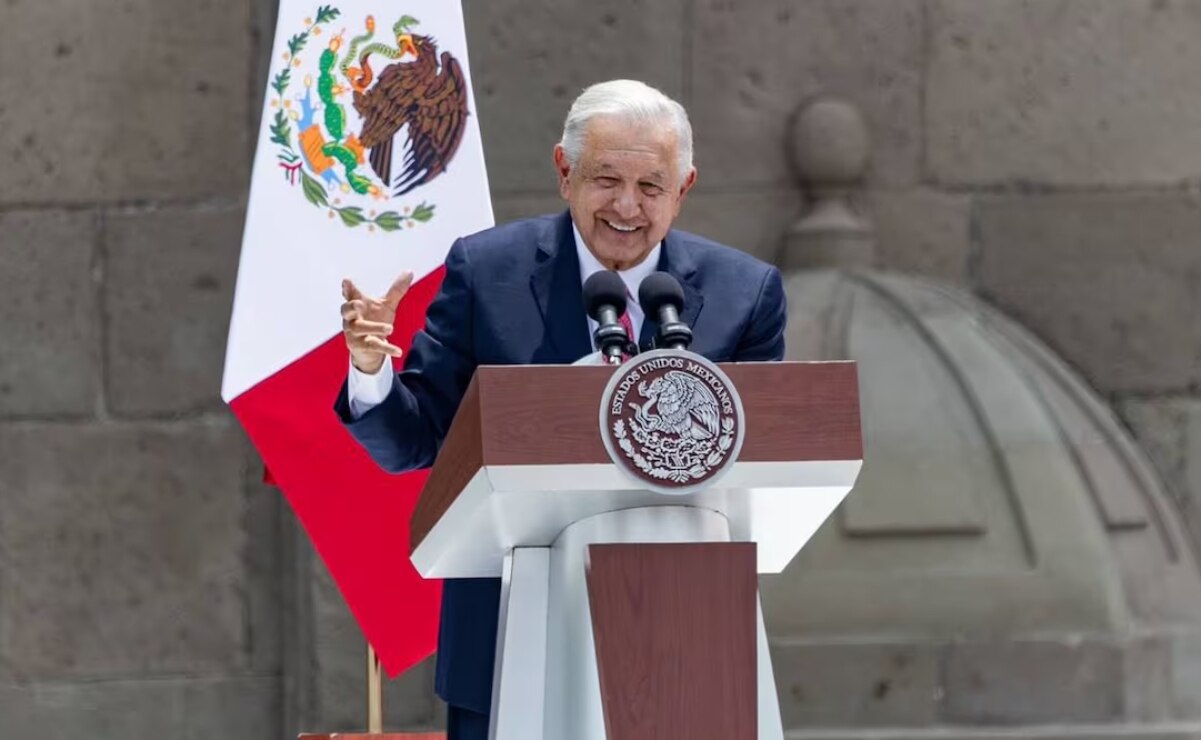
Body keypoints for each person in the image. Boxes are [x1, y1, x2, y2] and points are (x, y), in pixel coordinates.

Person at [335, 79, 786, 740]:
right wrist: (371, 370)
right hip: (507, 630)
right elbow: (415, 441)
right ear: (563, 172)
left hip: (685, 635)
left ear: (684, 188)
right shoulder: (487, 272)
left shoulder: (743, 293)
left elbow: (762, 461)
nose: (626, 207)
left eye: (651, 187)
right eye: (605, 179)